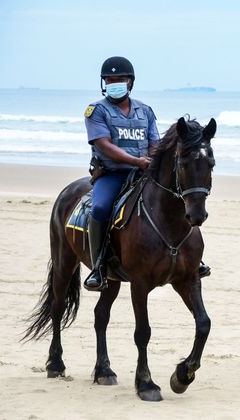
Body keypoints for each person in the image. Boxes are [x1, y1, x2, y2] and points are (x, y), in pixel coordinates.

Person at [83, 56, 211, 291]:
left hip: (144, 172)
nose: (115, 83)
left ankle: (193, 259)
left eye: (119, 79)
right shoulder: (96, 110)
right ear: (104, 83)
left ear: (129, 82)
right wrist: (136, 161)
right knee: (100, 208)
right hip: (112, 174)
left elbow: (154, 142)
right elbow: (103, 144)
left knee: (176, 198)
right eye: (110, 80)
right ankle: (98, 267)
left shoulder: (144, 110)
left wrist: (153, 159)